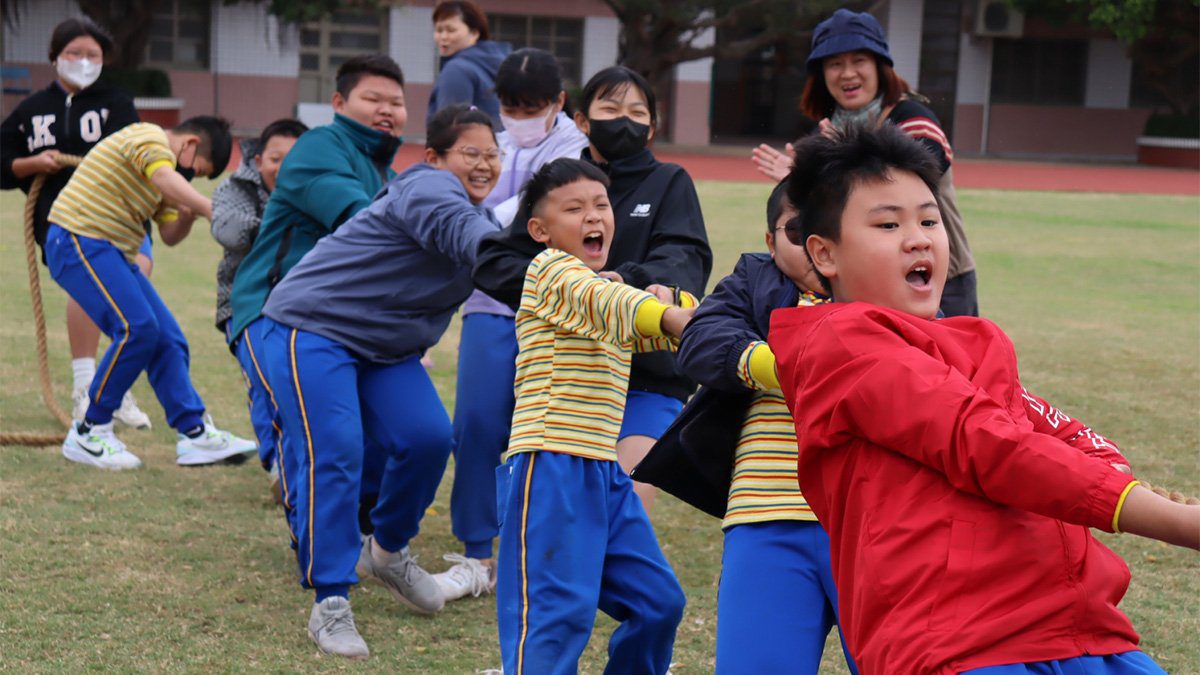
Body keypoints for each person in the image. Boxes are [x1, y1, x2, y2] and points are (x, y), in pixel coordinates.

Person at [768, 124, 1199, 675]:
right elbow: (989, 441)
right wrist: (1173, 522)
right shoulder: (841, 344)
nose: (920, 237)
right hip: (959, 644)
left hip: (1079, 632)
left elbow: (1046, 429)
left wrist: (1113, 474)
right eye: (887, 223)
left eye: (929, 219)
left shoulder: (973, 340)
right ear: (824, 255)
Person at [256, 104, 503, 659]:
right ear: (435, 157)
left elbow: (502, 260)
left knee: (429, 439)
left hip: (384, 352)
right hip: (312, 328)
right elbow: (463, 234)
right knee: (338, 452)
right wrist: (516, 258)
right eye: (471, 152)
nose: (484, 163)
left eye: (492, 153)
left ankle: (387, 551)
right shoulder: (426, 189)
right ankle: (330, 600)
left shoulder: (487, 225)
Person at [474, 65, 713, 512]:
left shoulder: (670, 181)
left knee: (621, 503)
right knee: (552, 508)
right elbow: (495, 261)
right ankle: (484, 553)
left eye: (637, 111)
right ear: (582, 121)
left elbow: (684, 259)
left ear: (652, 127)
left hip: (648, 377)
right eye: (611, 107)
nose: (624, 119)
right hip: (568, 379)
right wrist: (570, 288)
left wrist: (624, 283)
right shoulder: (558, 181)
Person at [493, 157, 691, 675]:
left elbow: (645, 324)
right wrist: (668, 312)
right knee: (555, 619)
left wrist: (684, 305)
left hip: (603, 469)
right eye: (574, 208)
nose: (593, 216)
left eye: (601, 205)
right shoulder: (550, 272)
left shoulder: (607, 289)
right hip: (551, 463)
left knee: (658, 603)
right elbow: (616, 305)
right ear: (540, 230)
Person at [650, 181, 855, 674]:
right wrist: (769, 363)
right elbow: (703, 338)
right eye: (797, 230)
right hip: (765, 517)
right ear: (769, 242)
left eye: (831, 228)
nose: (815, 246)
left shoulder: (884, 285)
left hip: (865, 521)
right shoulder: (753, 280)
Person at [435, 47, 589, 603]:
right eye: (510, 104)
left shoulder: (574, 146)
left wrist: (486, 221)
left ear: (558, 103)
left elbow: (529, 210)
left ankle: (538, 550)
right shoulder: (490, 141)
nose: (519, 115)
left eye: (533, 105)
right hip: (489, 301)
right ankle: (477, 550)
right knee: (476, 423)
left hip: (554, 305)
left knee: (547, 433)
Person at [226, 54, 404, 523]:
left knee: (378, 429)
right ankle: (312, 535)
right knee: (294, 420)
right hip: (269, 309)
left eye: (397, 102)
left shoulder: (388, 171)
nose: (387, 109)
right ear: (339, 102)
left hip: (338, 323)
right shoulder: (319, 146)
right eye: (373, 98)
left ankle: (357, 524)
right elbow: (364, 222)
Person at [44, 115, 256, 470]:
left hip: (112, 252)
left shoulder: (166, 177)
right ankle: (89, 429)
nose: (191, 177)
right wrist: (211, 210)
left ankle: (194, 433)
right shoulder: (149, 137)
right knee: (137, 328)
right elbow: (164, 176)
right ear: (188, 144)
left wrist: (188, 215)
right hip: (78, 238)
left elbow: (170, 234)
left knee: (167, 338)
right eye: (197, 170)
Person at [751, 8, 978, 318]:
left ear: (879, 66)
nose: (847, 73)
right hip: (866, 276)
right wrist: (804, 180)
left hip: (937, 277)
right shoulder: (831, 127)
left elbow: (923, 166)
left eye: (859, 61)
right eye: (834, 64)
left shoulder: (911, 117)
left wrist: (830, 164)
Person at [0, 17, 153, 429]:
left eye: (93, 55)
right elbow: (2, 161)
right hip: (62, 224)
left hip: (122, 219)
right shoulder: (31, 111)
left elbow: (137, 156)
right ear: (55, 57)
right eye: (74, 54)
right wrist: (34, 163)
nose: (84, 62)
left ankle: (113, 387)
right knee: (91, 289)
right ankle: (86, 387)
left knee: (134, 285)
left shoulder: (117, 104)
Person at [210, 118, 307, 484]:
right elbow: (229, 230)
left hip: (306, 307)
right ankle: (279, 466)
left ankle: (298, 462)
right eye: (275, 158)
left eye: (294, 159)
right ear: (258, 160)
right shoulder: (235, 189)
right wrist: (288, 225)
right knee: (264, 380)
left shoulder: (322, 189)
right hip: (245, 304)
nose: (283, 168)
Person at [428, 0, 510, 127]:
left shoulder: (456, 70)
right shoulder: (496, 65)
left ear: (474, 33)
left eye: (451, 30)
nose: (443, 37)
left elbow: (450, 129)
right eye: (439, 30)